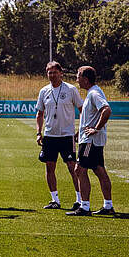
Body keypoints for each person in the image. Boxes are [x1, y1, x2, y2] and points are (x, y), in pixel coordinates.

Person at [35, 61, 85, 210]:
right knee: (49, 167)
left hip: (67, 135)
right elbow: (40, 114)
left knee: (72, 167)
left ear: (61, 73)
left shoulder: (71, 89)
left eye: (55, 72)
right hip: (49, 135)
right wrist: (38, 132)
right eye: (49, 72)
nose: (52, 75)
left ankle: (79, 200)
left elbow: (82, 110)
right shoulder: (44, 91)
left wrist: (80, 130)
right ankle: (54, 200)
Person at [68, 65, 114, 216]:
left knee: (79, 169)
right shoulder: (92, 92)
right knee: (99, 170)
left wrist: (96, 128)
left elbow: (106, 110)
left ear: (86, 79)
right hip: (89, 139)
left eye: (78, 76)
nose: (77, 80)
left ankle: (85, 207)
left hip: (90, 141)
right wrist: (79, 132)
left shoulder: (94, 93)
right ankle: (108, 206)